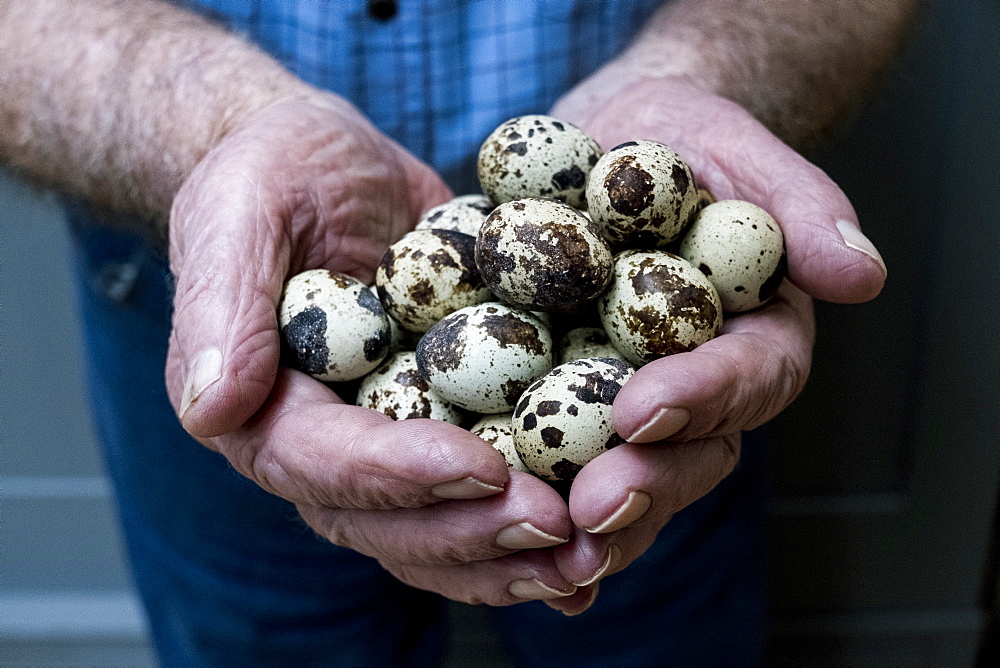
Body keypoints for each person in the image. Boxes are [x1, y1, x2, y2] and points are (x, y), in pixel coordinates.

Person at [0, 0, 916, 664]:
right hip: (221, 280)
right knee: (264, 642)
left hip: (657, 406)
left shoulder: (626, 281)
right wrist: (213, 125)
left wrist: (698, 74)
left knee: (644, 628)